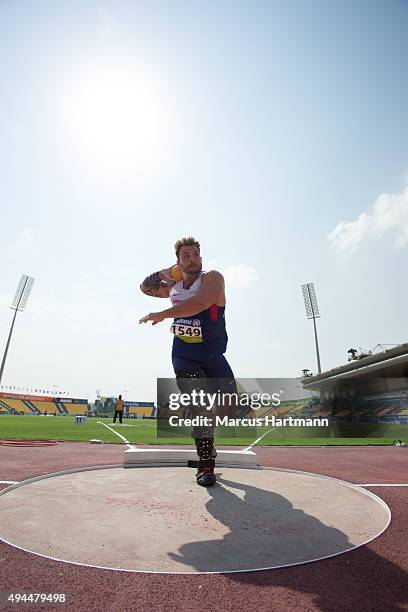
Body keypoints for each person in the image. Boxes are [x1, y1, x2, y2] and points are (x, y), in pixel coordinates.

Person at [139, 236, 237, 487]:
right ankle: (205, 466)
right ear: (178, 261)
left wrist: (163, 314)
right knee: (201, 408)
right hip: (184, 357)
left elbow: (201, 303)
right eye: (185, 256)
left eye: (195, 255)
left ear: (201, 258)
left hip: (213, 356)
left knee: (229, 409)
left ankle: (201, 431)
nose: (192, 259)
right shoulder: (173, 287)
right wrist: (170, 272)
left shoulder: (213, 278)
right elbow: (144, 286)